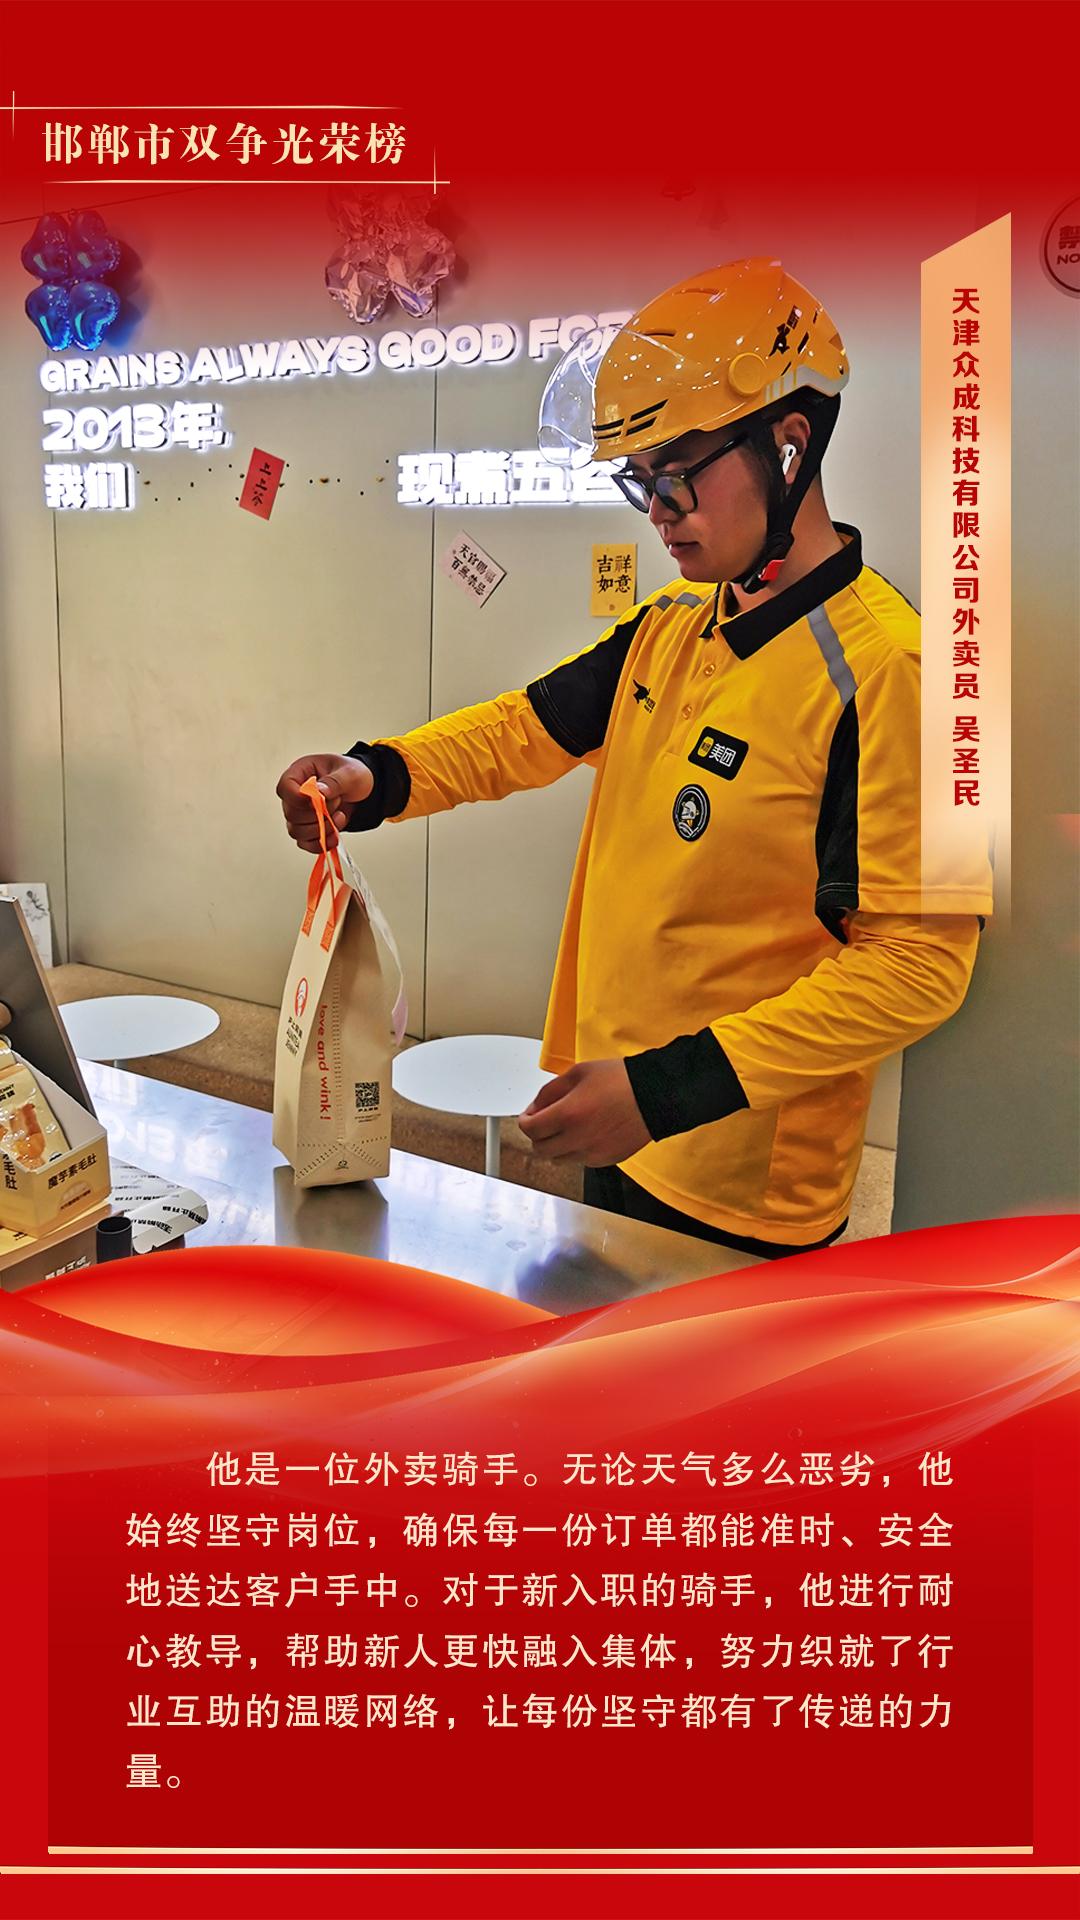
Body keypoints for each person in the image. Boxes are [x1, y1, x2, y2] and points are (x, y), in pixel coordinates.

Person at [277, 257, 992, 1259]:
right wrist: (379, 777)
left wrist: (666, 1092)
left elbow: (919, 968)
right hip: (617, 1115)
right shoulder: (672, 624)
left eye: (678, 473)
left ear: (789, 446)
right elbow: (525, 729)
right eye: (639, 480)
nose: (657, 509)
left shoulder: (899, 670)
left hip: (738, 1178)